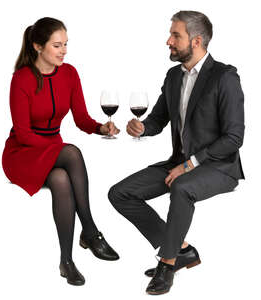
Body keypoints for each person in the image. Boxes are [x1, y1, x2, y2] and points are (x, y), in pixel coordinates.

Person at [108, 10, 245, 295]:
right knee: (119, 193)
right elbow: (158, 120)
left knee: (181, 187)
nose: (168, 41)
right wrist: (142, 128)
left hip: (219, 167)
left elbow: (234, 138)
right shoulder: (173, 76)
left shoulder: (224, 77)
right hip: (179, 162)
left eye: (175, 35)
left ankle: (167, 264)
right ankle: (180, 249)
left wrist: (191, 165)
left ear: (196, 41)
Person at [2, 17, 120, 286]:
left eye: (66, 44)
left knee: (60, 178)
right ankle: (90, 231)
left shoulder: (69, 73)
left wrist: (101, 128)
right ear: (38, 46)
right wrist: (58, 148)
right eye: (57, 45)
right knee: (71, 152)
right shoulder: (21, 79)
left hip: (54, 153)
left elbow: (80, 118)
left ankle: (66, 262)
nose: (64, 51)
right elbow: (23, 133)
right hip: (22, 153)